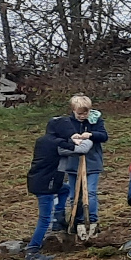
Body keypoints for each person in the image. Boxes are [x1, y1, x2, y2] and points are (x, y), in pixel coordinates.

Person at [46, 94, 107, 237]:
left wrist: (90, 135)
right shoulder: (67, 123)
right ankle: (77, 220)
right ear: (73, 110)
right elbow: (60, 140)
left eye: (85, 113)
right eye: (79, 113)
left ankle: (92, 219)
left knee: (90, 192)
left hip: (92, 162)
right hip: (73, 163)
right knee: (74, 195)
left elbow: (104, 136)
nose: (82, 116)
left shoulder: (95, 120)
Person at [22, 130, 63, 260]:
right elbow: (78, 149)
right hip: (45, 187)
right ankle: (32, 251)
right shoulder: (55, 145)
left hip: (40, 183)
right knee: (45, 219)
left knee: (66, 189)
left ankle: (59, 216)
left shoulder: (44, 142)